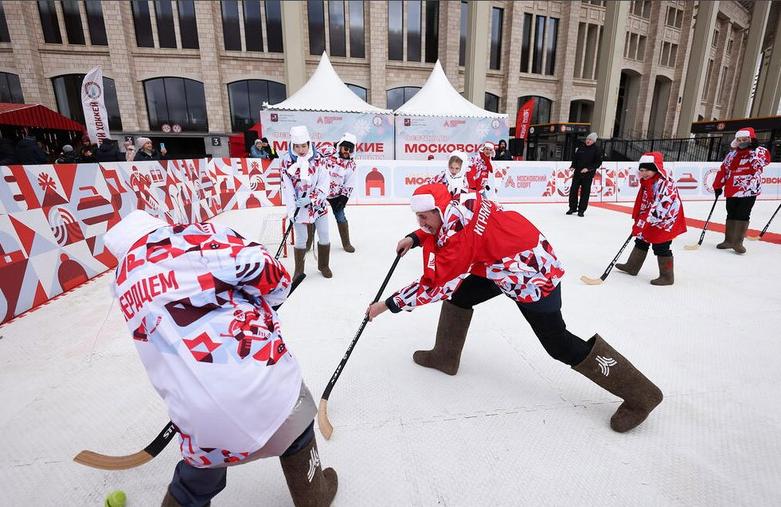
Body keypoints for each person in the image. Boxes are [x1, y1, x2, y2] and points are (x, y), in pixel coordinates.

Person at [366, 183, 663, 433]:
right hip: (507, 260)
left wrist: (386, 305)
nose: (421, 223)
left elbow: (434, 285)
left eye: (423, 218)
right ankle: (445, 357)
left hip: (532, 277)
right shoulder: (464, 200)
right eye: (417, 218)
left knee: (558, 344)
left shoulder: (459, 242)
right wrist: (415, 237)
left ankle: (641, 395)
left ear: (440, 210)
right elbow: (444, 230)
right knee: (461, 296)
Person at [102, 210, 338, 507]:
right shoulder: (190, 237)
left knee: (199, 471)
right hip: (265, 384)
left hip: (198, 414)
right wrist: (269, 302)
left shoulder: (122, 284)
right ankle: (313, 496)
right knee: (296, 422)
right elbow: (269, 270)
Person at [615, 152, 686, 286]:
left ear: (656, 169)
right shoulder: (647, 182)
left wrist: (644, 222)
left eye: (647, 170)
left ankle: (667, 277)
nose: (644, 173)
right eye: (641, 170)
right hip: (650, 217)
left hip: (665, 221)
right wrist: (640, 221)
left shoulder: (665, 184)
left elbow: (661, 207)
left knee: (661, 246)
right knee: (641, 240)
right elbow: (645, 203)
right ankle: (632, 266)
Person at [280, 125, 332, 278]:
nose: (301, 150)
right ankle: (299, 270)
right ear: (292, 145)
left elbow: (325, 184)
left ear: (309, 143)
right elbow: (286, 187)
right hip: (299, 208)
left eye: (303, 146)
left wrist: (311, 198)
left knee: (324, 234)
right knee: (301, 239)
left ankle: (323, 265)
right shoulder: (286, 161)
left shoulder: (319, 159)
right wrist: (291, 210)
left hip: (318, 206)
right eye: (297, 146)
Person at [712, 127, 770, 254]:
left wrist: (752, 150)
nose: (742, 141)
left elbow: (762, 163)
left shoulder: (760, 151)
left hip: (749, 189)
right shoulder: (732, 154)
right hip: (732, 189)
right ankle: (728, 240)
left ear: (751, 139)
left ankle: (738, 242)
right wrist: (717, 185)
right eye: (739, 139)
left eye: (745, 139)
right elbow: (724, 170)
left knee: (742, 214)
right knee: (731, 213)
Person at [325, 133, 357, 253]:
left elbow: (349, 183)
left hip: (336, 195)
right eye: (345, 148)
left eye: (350, 149)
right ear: (339, 146)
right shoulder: (329, 154)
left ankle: (346, 243)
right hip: (321, 192)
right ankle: (308, 243)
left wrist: (343, 199)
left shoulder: (351, 165)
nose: (347, 151)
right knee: (314, 217)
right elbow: (314, 152)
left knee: (341, 216)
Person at [566, 132, 603, 217]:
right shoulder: (581, 147)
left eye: (590, 140)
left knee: (585, 192)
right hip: (578, 173)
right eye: (587, 139)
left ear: (594, 141)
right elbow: (575, 158)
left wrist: (588, 169)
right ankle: (572, 208)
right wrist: (573, 166)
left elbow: (598, 163)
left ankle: (581, 210)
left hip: (588, 175)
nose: (588, 141)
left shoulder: (597, 150)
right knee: (573, 191)